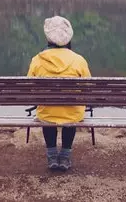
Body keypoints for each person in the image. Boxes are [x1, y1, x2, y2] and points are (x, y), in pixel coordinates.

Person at [26, 15, 91, 171]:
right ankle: (65, 157)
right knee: (71, 112)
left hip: (46, 113)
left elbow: (29, 87)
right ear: (68, 39)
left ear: (48, 39)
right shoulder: (79, 60)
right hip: (72, 113)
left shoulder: (37, 60)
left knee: (48, 113)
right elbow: (88, 87)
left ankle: (52, 157)